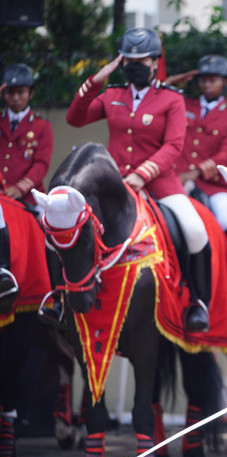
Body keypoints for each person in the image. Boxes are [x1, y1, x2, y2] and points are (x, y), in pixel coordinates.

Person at [65, 27, 210, 332]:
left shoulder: (171, 99)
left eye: (141, 59)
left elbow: (173, 147)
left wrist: (142, 174)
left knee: (196, 232)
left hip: (158, 183)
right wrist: (96, 80)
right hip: (113, 183)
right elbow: (75, 118)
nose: (134, 65)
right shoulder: (113, 94)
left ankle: (196, 301)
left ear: (155, 62)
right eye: (128, 59)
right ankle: (61, 292)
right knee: (66, 224)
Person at [171, 54, 227, 232]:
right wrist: (173, 81)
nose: (206, 84)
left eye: (212, 80)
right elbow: (158, 94)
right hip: (177, 179)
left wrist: (197, 172)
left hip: (213, 185)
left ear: (225, 82)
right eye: (203, 80)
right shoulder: (183, 104)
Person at [0, 63, 53, 308]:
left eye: (21, 92)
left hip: (29, 198)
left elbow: (41, 164)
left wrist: (19, 188)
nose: (16, 97)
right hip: (1, 197)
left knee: (51, 238)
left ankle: (54, 293)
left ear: (31, 93)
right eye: (10, 92)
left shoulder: (42, 126)